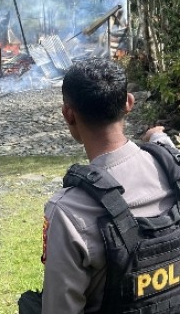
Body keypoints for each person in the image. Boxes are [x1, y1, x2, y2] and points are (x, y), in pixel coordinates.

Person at [41, 57, 179, 313]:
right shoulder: (173, 172)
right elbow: (164, 145)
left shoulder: (69, 211)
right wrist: (157, 136)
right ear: (129, 102)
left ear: (68, 114)